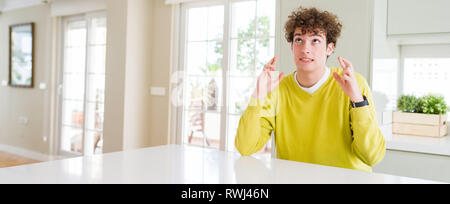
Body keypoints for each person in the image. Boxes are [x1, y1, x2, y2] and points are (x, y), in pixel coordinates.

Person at [235, 7, 385, 172]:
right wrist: (257, 96)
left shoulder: (354, 84)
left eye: (315, 40)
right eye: (299, 40)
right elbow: (245, 147)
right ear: (292, 46)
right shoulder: (277, 89)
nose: (305, 49)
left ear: (330, 48)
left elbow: (372, 156)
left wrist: (358, 101)